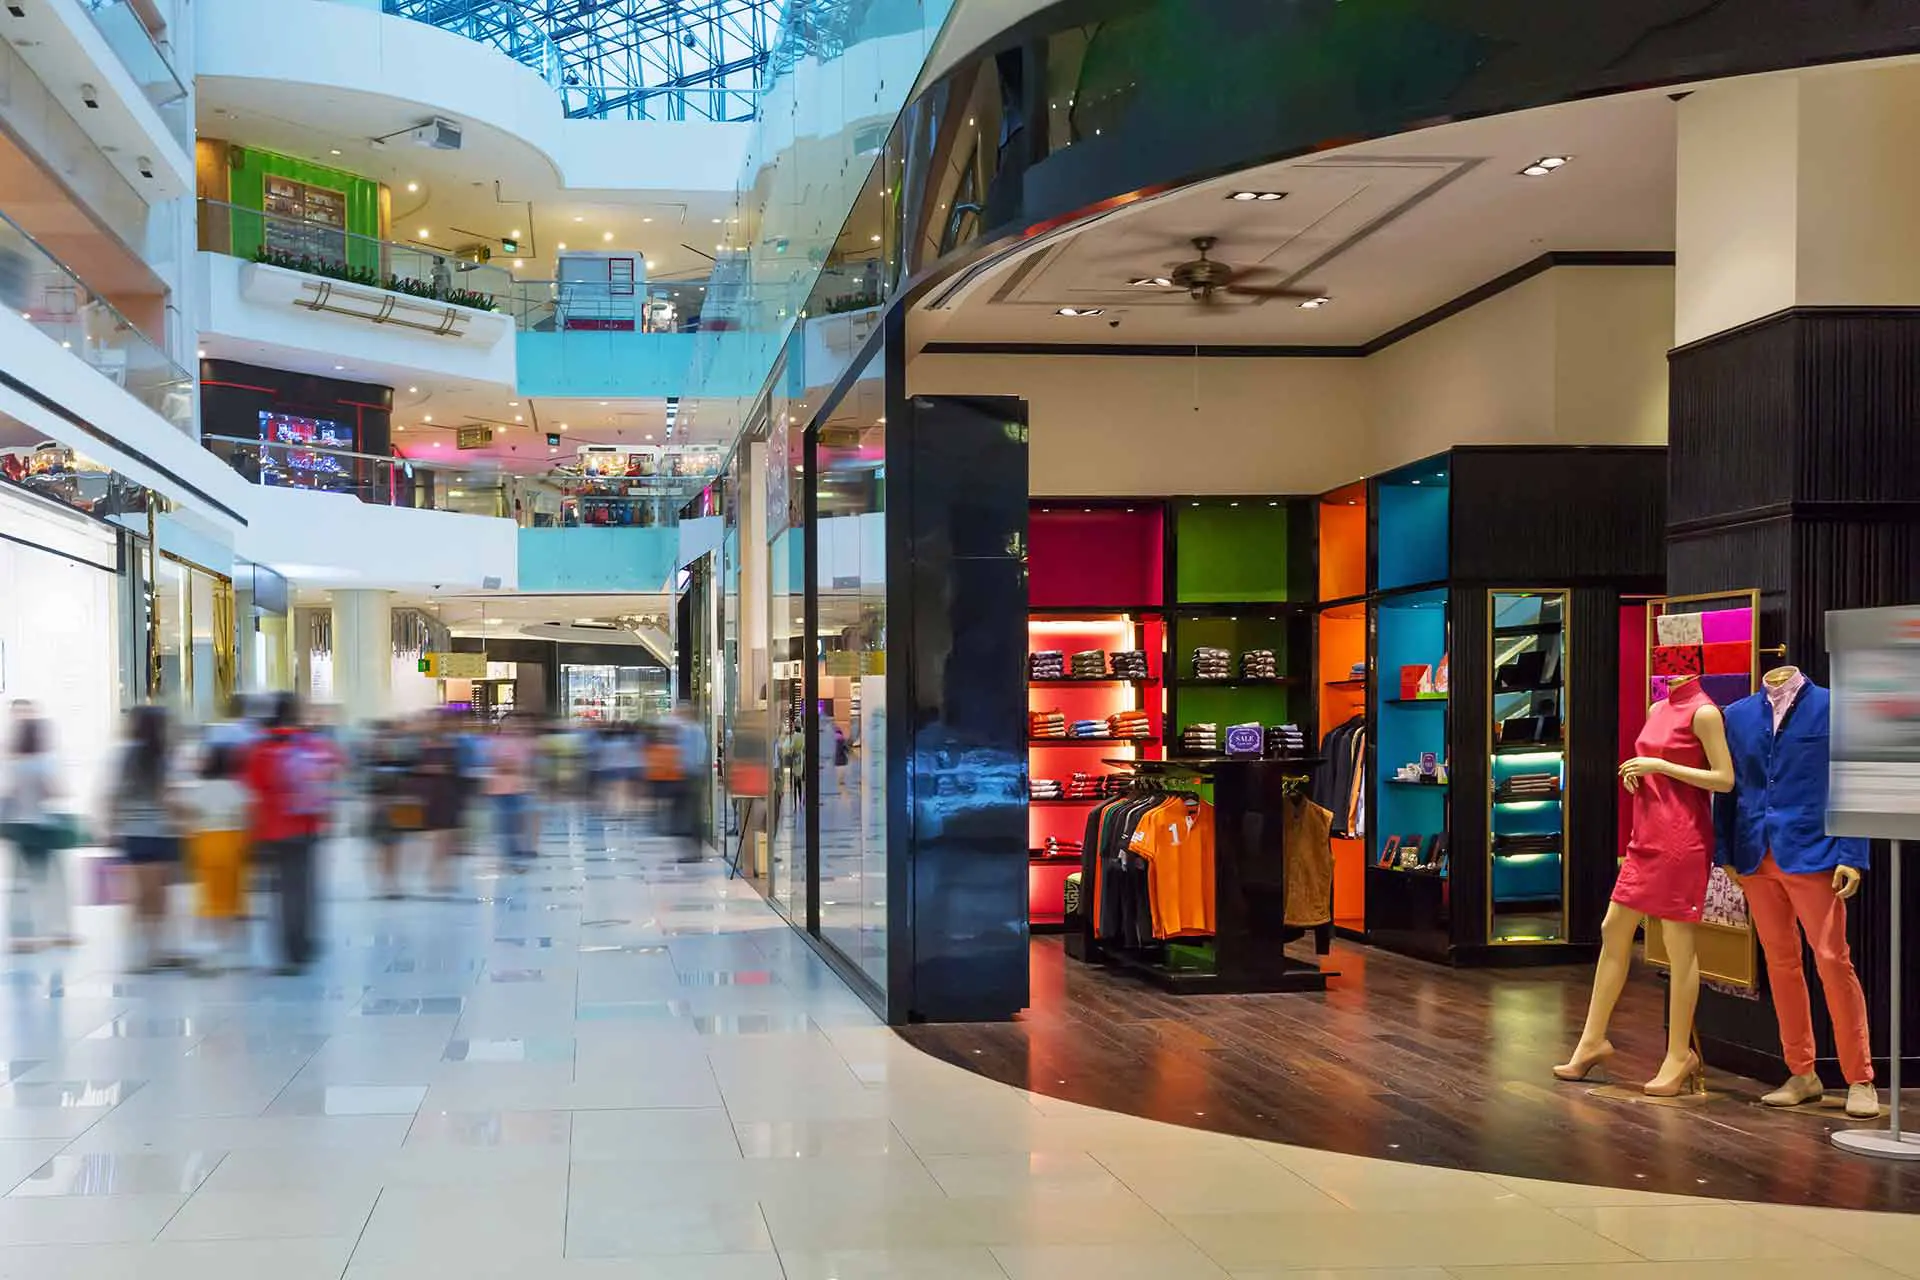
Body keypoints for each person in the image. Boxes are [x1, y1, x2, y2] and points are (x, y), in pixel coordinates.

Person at [1555, 674, 1735, 1095]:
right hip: (1646, 834)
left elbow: (1724, 779)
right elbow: (1651, 760)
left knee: (1678, 941)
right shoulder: (1658, 708)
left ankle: (1679, 1055)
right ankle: (1592, 1040)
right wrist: (1637, 773)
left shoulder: (1705, 712)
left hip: (1682, 839)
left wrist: (1659, 766)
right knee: (1613, 927)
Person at [244, 693, 333, 974]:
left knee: (281, 893)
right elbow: (333, 767)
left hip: (272, 829)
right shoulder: (309, 743)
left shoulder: (261, 748)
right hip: (306, 824)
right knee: (305, 887)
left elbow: (251, 788)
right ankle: (302, 945)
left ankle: (286, 951)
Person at [110, 705, 185, 972]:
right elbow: (167, 796)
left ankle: (141, 952)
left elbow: (114, 795)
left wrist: (111, 826)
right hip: (159, 832)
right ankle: (155, 950)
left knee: (140, 896)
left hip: (134, 832)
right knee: (158, 896)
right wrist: (184, 818)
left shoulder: (124, 757)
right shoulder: (160, 757)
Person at [1, 703, 74, 952]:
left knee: (21, 884)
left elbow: (10, 794)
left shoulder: (14, 764)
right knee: (51, 881)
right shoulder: (42, 763)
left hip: (19, 828)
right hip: (41, 829)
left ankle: (21, 936)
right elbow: (55, 791)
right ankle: (57, 931)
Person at [182, 743, 251, 971]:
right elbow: (246, 816)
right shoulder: (238, 788)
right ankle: (232, 946)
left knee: (209, 895)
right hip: (232, 842)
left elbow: (190, 818)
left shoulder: (199, 790)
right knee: (233, 895)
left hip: (205, 844)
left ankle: (208, 945)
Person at [486, 716, 536, 862]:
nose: (511, 727)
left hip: (518, 787)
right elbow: (496, 763)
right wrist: (509, 765)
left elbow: (524, 764)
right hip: (499, 788)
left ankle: (521, 848)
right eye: (508, 724)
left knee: (519, 820)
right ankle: (509, 850)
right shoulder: (494, 742)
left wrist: (510, 765)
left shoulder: (521, 742)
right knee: (505, 822)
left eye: (514, 724)